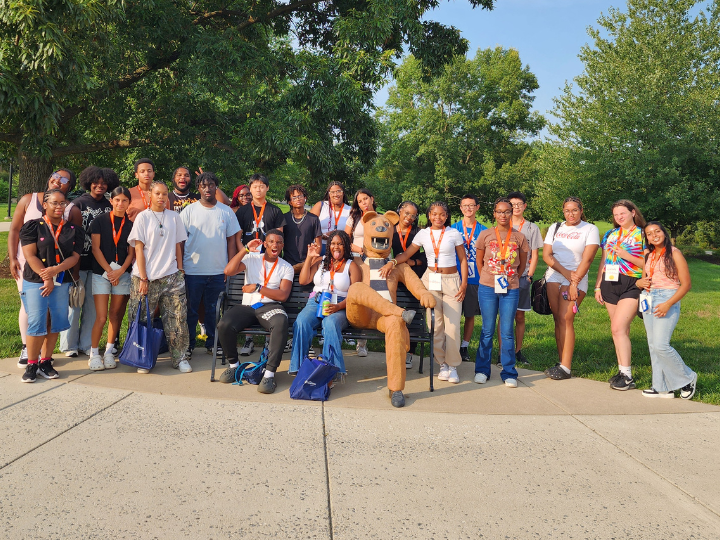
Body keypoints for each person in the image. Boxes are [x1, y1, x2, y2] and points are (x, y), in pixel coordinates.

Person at [381, 201, 468, 384]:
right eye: (434, 214)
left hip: (452, 280)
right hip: (431, 281)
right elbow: (406, 254)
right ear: (429, 216)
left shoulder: (453, 233)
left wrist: (464, 283)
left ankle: (452, 366)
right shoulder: (423, 233)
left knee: (452, 326)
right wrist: (393, 262)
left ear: (446, 216)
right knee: (435, 325)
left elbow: (462, 259)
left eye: (442, 214)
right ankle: (441, 363)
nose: (438, 217)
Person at [8, 168, 81, 367]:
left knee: (51, 313)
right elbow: (14, 229)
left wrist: (67, 273)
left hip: (58, 270)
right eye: (55, 176)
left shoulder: (71, 209)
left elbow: (74, 246)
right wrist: (13, 257)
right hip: (29, 265)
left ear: (69, 187)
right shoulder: (28, 200)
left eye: (64, 179)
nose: (57, 181)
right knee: (30, 308)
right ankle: (27, 348)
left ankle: (44, 356)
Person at [216, 230, 294, 393]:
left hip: (270, 307)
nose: (275, 245)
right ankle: (234, 366)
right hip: (248, 307)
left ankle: (269, 374)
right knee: (224, 324)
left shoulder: (286, 267)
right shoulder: (252, 259)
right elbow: (228, 271)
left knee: (280, 322)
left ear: (282, 246)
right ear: (265, 244)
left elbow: (283, 295)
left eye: (279, 242)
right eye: (271, 241)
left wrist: (258, 288)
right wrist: (245, 249)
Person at [18, 189, 84, 382]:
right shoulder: (32, 226)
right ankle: (32, 363)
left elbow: (75, 256)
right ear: (45, 205)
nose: (59, 207)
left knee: (54, 322)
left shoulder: (73, 230)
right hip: (36, 282)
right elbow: (30, 255)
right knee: (37, 322)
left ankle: (46, 361)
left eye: (62, 203)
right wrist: (46, 276)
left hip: (61, 281)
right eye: (54, 203)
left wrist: (55, 271)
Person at [127, 181, 191, 374]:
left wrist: (180, 269)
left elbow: (178, 245)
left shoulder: (174, 217)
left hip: (172, 276)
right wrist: (144, 279)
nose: (162, 197)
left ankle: (180, 357)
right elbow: (138, 249)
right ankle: (142, 357)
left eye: (165, 194)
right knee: (142, 319)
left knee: (178, 318)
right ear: (150, 196)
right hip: (145, 277)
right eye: (157, 194)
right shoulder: (143, 218)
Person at [60, 166, 119, 358]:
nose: (100, 186)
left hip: (99, 264)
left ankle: (86, 344)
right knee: (74, 305)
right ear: (88, 183)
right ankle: (69, 346)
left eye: (104, 183)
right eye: (96, 182)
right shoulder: (78, 203)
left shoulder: (110, 205)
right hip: (77, 262)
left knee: (93, 308)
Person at [180, 171, 241, 355]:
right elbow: (180, 241)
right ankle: (188, 345)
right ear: (198, 188)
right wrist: (181, 266)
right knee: (191, 311)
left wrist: (228, 267)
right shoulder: (189, 211)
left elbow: (231, 240)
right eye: (203, 185)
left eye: (211, 185)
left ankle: (213, 344)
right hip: (192, 271)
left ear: (216, 187)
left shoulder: (226, 211)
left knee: (213, 311)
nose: (207, 189)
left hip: (217, 271)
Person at [288, 230, 362, 376]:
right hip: (316, 301)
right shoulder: (321, 261)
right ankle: (297, 367)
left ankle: (331, 370)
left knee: (330, 324)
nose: (336, 247)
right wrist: (309, 258)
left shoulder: (351, 266)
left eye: (340, 244)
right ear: (328, 246)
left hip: (341, 304)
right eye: (333, 243)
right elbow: (303, 280)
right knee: (301, 322)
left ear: (346, 246)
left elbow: (356, 295)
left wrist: (339, 306)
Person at [636, 222, 696, 399]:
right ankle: (661, 387)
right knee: (653, 345)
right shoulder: (649, 255)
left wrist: (668, 304)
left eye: (657, 231)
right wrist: (639, 283)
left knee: (661, 345)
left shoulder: (674, 253)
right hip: (649, 297)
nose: (654, 235)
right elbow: (644, 278)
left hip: (667, 298)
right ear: (646, 238)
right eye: (649, 233)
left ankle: (687, 378)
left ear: (664, 232)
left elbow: (686, 285)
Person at [542, 197, 600, 380]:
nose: (571, 214)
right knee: (557, 319)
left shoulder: (590, 229)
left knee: (567, 319)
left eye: (574, 210)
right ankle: (561, 362)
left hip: (577, 276)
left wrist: (573, 281)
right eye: (567, 210)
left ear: (581, 210)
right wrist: (565, 273)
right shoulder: (555, 227)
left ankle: (566, 367)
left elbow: (588, 259)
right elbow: (547, 255)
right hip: (555, 275)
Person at [473, 198, 528, 388]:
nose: (503, 215)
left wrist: (512, 278)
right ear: (494, 214)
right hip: (487, 288)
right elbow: (479, 261)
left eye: (507, 212)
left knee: (506, 332)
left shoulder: (519, 237)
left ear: (511, 213)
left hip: (510, 289)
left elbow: (522, 263)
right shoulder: (486, 235)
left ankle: (509, 372)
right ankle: (482, 370)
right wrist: (487, 278)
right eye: (499, 212)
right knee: (487, 330)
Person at [594, 199, 646, 391]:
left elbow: (648, 264)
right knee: (619, 331)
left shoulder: (643, 234)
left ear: (633, 212)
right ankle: (622, 371)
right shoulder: (611, 234)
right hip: (610, 283)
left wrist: (627, 255)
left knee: (618, 328)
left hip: (632, 284)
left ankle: (627, 377)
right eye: (616, 215)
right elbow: (604, 261)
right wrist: (598, 285)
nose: (619, 217)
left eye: (622, 213)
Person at [234, 173, 286, 356]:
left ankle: (267, 340)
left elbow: (279, 237)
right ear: (251, 188)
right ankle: (248, 339)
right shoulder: (243, 211)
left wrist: (271, 254)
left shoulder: (274, 210)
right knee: (250, 297)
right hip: (250, 260)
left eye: (262, 186)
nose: (258, 189)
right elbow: (237, 236)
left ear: (267, 188)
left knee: (267, 297)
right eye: (255, 186)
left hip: (269, 260)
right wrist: (245, 254)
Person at [88, 186, 135, 370]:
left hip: (122, 274)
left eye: (124, 200)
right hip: (102, 274)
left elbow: (131, 253)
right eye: (117, 200)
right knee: (101, 317)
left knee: (115, 315)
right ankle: (93, 353)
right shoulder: (99, 221)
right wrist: (110, 271)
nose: (120, 204)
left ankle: (109, 351)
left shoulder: (131, 225)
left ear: (129, 203)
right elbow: (95, 249)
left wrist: (120, 271)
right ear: (111, 201)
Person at [503, 191, 544, 366]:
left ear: (525, 206)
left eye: (519, 204)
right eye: (512, 205)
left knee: (519, 316)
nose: (516, 208)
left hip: (522, 276)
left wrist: (529, 276)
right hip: (503, 275)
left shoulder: (531, 228)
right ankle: (503, 351)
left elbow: (535, 254)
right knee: (504, 316)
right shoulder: (503, 225)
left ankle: (518, 351)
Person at [450, 194, 487, 362]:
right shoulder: (453, 228)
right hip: (454, 276)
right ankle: (452, 344)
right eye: (465, 206)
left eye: (471, 205)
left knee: (469, 314)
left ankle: (464, 346)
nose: (468, 209)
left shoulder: (484, 230)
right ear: (460, 208)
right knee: (454, 314)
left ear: (477, 207)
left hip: (475, 278)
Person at [392, 201, 427, 368]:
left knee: (414, 313)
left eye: (413, 215)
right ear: (399, 211)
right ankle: (396, 347)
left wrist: (411, 262)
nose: (409, 218)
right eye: (406, 213)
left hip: (415, 276)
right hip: (394, 276)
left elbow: (427, 257)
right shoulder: (389, 229)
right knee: (397, 312)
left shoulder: (419, 232)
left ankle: (410, 352)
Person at [344, 188, 377, 356]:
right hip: (357, 260)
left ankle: (365, 339)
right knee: (359, 298)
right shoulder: (354, 218)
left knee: (371, 299)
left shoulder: (380, 218)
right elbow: (344, 239)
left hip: (375, 262)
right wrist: (359, 248)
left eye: (365, 199)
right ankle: (360, 340)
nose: (363, 202)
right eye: (360, 201)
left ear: (372, 198)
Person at [282, 184, 322, 272]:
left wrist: (311, 260)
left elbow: (318, 244)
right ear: (289, 202)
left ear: (305, 198)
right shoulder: (284, 218)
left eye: (300, 196)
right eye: (294, 197)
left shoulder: (313, 219)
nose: (298, 199)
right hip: (286, 263)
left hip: (307, 263)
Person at [310, 181, 351, 253]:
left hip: (340, 248)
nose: (336, 194)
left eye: (338, 191)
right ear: (329, 194)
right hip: (320, 246)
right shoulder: (321, 206)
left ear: (343, 193)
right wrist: (322, 236)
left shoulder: (349, 210)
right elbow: (309, 226)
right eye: (332, 192)